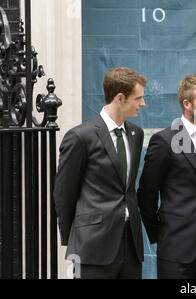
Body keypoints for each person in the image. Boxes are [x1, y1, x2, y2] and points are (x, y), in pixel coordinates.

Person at [53, 67, 147, 279]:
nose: (143, 104)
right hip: (92, 247)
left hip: (130, 246)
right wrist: (77, 236)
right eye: (138, 98)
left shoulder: (135, 134)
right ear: (120, 98)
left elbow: (128, 188)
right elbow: (63, 193)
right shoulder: (80, 137)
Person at [137, 74, 196, 279]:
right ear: (186, 104)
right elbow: (146, 194)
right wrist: (161, 234)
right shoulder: (164, 140)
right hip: (176, 248)